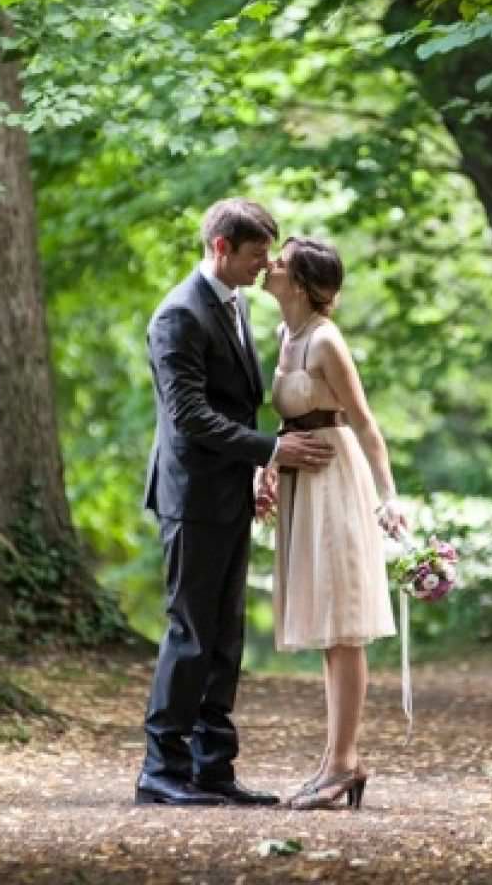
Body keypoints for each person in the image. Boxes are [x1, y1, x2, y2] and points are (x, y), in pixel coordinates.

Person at [137, 199, 335, 807]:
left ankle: (213, 769)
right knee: (191, 633)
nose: (263, 267)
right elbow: (191, 417)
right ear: (221, 247)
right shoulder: (179, 315)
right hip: (191, 498)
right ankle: (161, 772)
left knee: (225, 637)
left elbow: (236, 403)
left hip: (229, 494)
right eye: (255, 255)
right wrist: (272, 450)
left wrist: (255, 470)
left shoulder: (236, 304)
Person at [260, 236, 406, 811]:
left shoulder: (325, 341)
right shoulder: (284, 336)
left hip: (337, 480)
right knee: (327, 625)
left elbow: (366, 424)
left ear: (297, 283)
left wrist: (389, 498)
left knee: (344, 625)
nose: (269, 265)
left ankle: (343, 764)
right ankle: (334, 760)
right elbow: (289, 419)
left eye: (280, 261)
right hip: (302, 481)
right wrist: (269, 463)